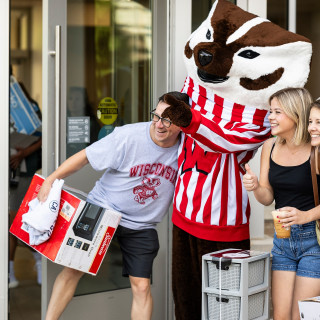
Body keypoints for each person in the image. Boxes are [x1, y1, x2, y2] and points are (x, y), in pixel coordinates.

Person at [37, 91, 188, 320]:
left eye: (168, 120)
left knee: (142, 286)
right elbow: (85, 156)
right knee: (73, 269)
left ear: (182, 122)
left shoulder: (188, 148)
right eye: (156, 116)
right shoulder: (128, 137)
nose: (159, 124)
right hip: (103, 208)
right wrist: (51, 179)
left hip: (142, 224)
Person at [243, 87, 320, 320]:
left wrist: (305, 216)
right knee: (281, 316)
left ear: (295, 114)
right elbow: (268, 197)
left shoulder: (316, 148)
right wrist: (256, 186)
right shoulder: (270, 146)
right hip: (282, 241)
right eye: (270, 111)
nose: (271, 117)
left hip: (313, 241)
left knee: (302, 316)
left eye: (277, 111)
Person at [9, 66, 42, 288]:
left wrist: (23, 154)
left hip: (25, 172)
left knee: (17, 221)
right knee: (9, 223)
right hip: (9, 172)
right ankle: (10, 272)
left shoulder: (31, 108)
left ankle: (39, 260)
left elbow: (45, 135)